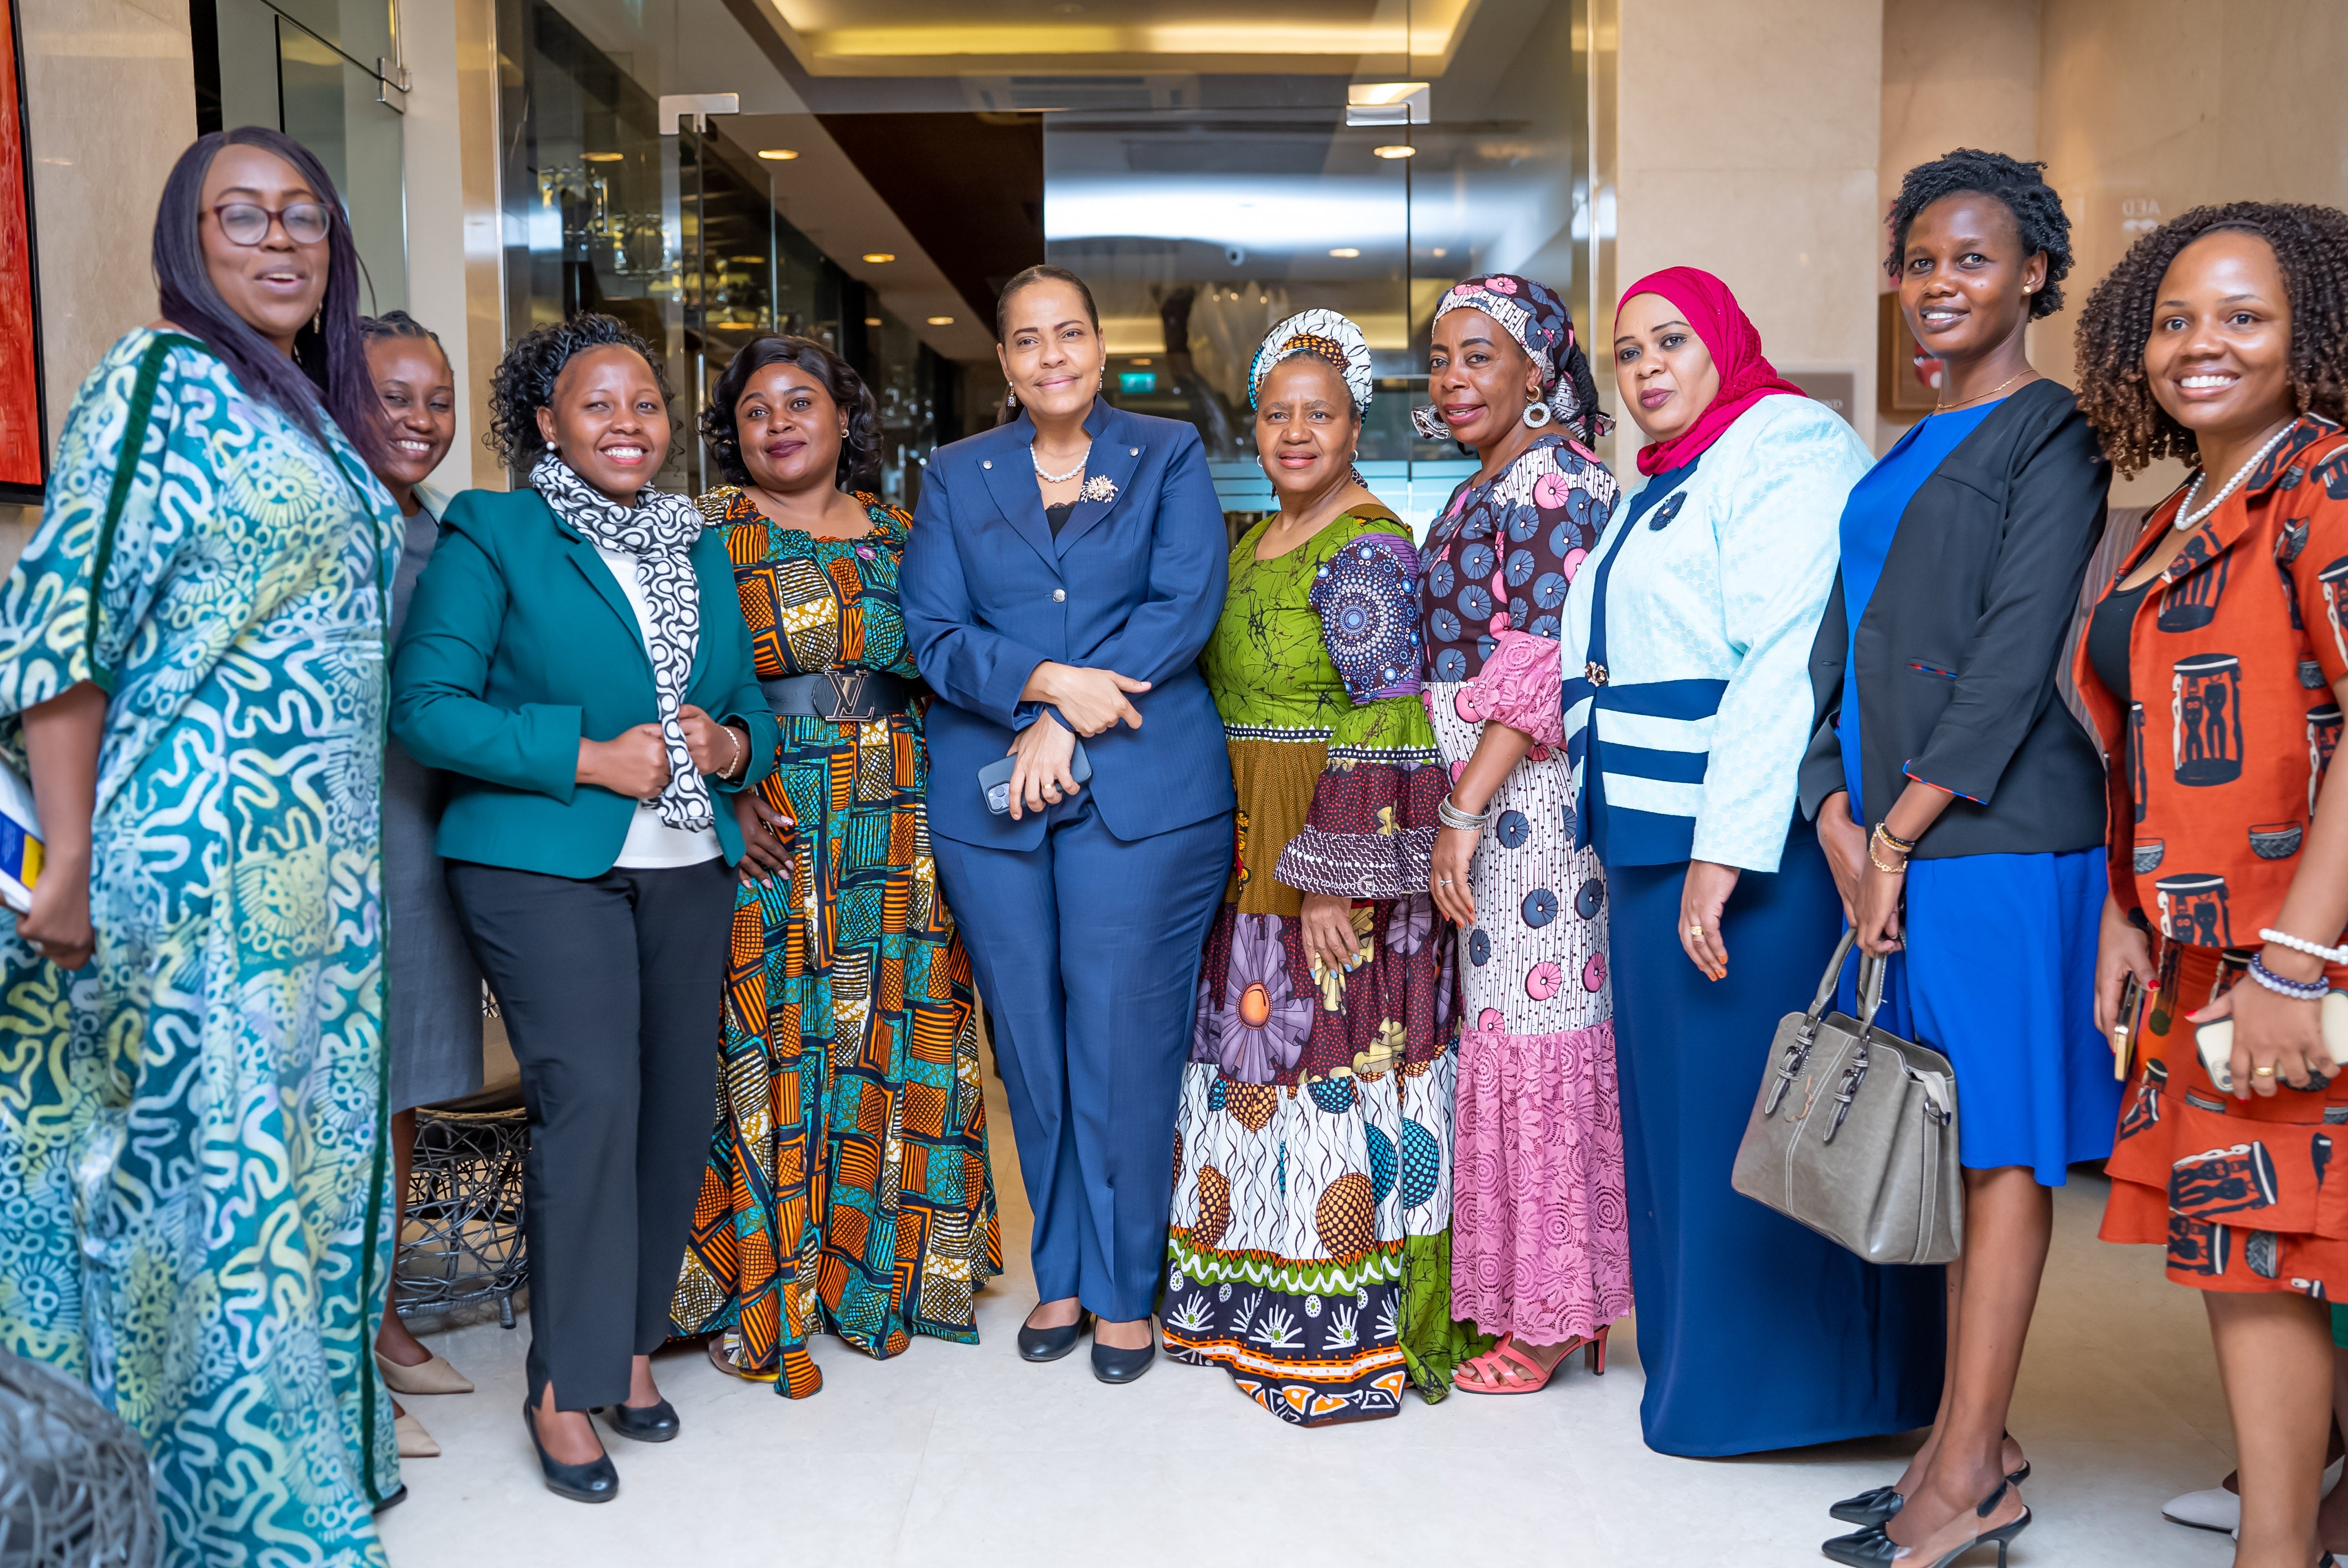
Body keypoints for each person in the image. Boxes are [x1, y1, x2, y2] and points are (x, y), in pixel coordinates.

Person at [0, 127, 407, 1560]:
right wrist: (60, 861)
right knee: (201, 1209)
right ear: (190, 240)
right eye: (243, 215)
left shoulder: (304, 410)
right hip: (195, 863)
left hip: (321, 893)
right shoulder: (158, 379)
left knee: (288, 1186)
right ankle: (227, 1522)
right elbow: (63, 623)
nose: (281, 239)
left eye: (306, 215)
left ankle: (286, 1483)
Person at [392, 313, 777, 1502]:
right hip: (537, 859)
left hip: (685, 860)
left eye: (646, 403)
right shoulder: (494, 528)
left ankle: (622, 1348)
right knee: (592, 1098)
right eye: (596, 404)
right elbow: (427, 706)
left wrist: (728, 742)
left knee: (670, 1109)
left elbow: (739, 701)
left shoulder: (696, 538)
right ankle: (561, 1386)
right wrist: (588, 757)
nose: (627, 423)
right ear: (546, 422)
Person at [1565, 265, 1944, 1456]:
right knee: (1685, 1130)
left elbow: (1783, 654)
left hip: (1740, 852)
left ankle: (1805, 1395)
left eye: (1669, 341)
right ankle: (1703, 1382)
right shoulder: (1665, 477)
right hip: (1647, 842)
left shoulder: (1784, 440)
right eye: (1625, 353)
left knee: (1770, 1116)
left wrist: (1721, 854)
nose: (1645, 370)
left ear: (1723, 342)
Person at [1803, 151, 2116, 1568]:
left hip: (1993, 842)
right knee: (1944, 1136)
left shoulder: (2051, 434)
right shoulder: (1896, 446)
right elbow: (1841, 649)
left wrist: (1895, 834)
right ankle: (1958, 1441)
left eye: (1972, 260)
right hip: (1896, 843)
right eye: (1920, 260)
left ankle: (1969, 1476)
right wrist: (1831, 811)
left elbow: (2007, 663)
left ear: (2033, 275)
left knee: (1995, 1157)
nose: (1939, 285)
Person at [2073, 200, 2348, 1568]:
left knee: (2274, 1253)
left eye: (2242, 317)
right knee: (2249, 1251)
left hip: (2296, 952)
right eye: (2175, 319)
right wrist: (2125, 913)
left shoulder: (2326, 482)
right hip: (2198, 949)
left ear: (2309, 337)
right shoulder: (2183, 505)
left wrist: (2299, 959)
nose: (2200, 345)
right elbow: (2142, 737)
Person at [901, 264, 1233, 1386]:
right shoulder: (953, 476)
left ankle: (1125, 1288)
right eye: (1027, 339)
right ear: (1001, 361)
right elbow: (934, 634)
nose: (1051, 355)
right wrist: (1044, 686)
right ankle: (1061, 1270)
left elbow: (1183, 603)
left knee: (1121, 1039)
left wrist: (1073, 721)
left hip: (1142, 792)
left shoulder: (1166, 452)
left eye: (1070, 334)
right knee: (1030, 1050)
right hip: (991, 803)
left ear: (1100, 348)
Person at [669, 334, 999, 1397]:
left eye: (800, 401)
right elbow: (668, 680)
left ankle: (897, 1273)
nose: (779, 423)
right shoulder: (707, 533)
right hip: (774, 800)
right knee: (780, 1031)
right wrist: (726, 803)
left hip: (902, 804)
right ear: (737, 434)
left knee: (902, 1019)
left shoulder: (911, 532)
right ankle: (768, 1280)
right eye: (756, 410)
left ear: (847, 417)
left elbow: (957, 665)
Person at [1161, 311, 1474, 1423]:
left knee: (1324, 1054)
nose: (1296, 433)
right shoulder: (1253, 539)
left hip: (1329, 836)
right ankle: (1248, 1294)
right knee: (1254, 1053)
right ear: (1254, 426)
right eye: (1277, 414)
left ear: (1355, 425)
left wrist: (1334, 874)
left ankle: (1337, 1320)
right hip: (1244, 829)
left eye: (1320, 415)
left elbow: (1386, 709)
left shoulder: (1369, 545)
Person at [1412, 274, 1631, 1395]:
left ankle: (1553, 1314)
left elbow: (1537, 661)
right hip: (1485, 795)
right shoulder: (1485, 483)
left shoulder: (1552, 483)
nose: (1452, 378)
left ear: (1536, 368)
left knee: (1541, 1035)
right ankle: (1535, 1295)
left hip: (1527, 802)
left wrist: (1461, 808)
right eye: (1441, 358)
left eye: (1477, 356)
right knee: (1507, 1033)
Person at [358, 310, 486, 1463]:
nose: (417, 419)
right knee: (338, 1101)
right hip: (338, 850)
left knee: (399, 1093)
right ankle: (336, 1359)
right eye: (392, 395)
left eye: (435, 400)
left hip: (422, 840)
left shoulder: (442, 534)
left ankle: (383, 1322)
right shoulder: (332, 524)